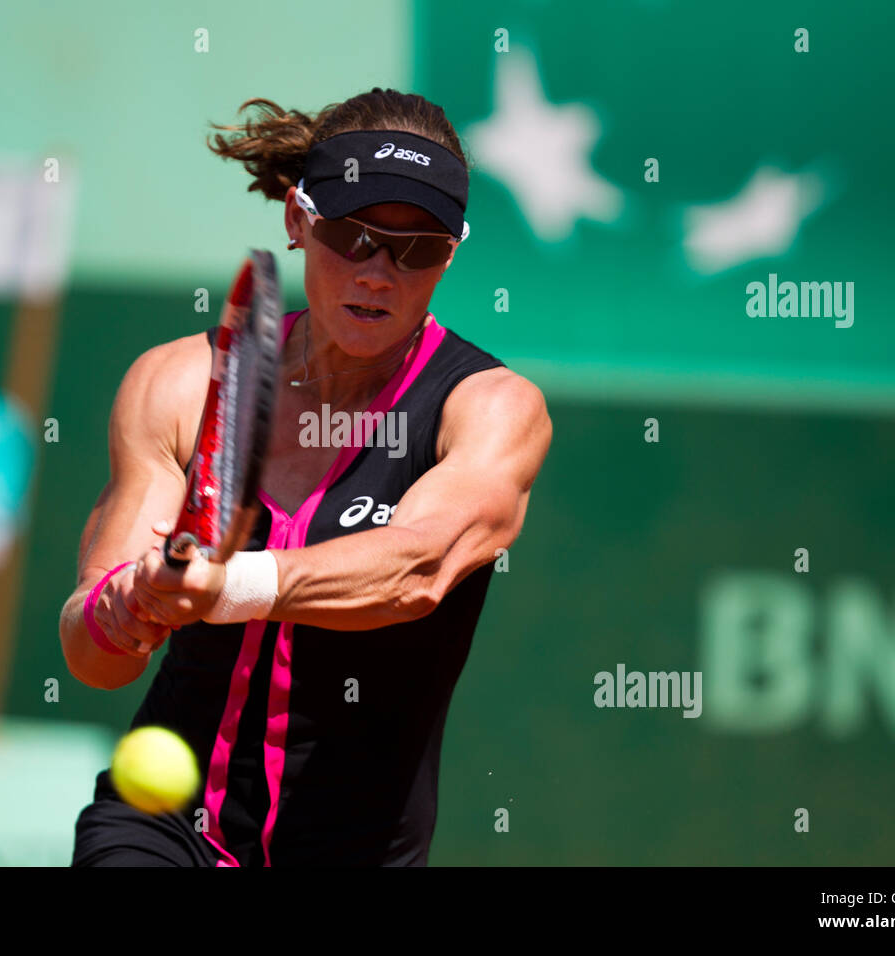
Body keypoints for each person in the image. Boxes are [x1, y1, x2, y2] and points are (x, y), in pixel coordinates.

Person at [62, 88, 552, 866]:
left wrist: (222, 588)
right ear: (298, 219)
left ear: (451, 252)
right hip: (157, 830)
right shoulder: (178, 383)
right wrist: (120, 610)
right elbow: (92, 660)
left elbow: (414, 571)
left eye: (416, 246)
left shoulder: (493, 409)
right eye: (353, 237)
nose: (379, 273)